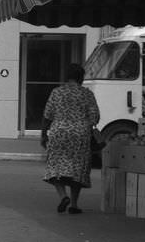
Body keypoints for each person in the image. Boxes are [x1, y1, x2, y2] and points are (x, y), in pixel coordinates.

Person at [40, 63, 100, 214]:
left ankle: (62, 197)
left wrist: (43, 134)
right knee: (78, 168)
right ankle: (74, 204)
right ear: (81, 77)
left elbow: (47, 115)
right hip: (80, 134)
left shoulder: (57, 92)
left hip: (58, 132)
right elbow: (95, 117)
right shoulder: (87, 94)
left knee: (55, 166)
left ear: (66, 76)